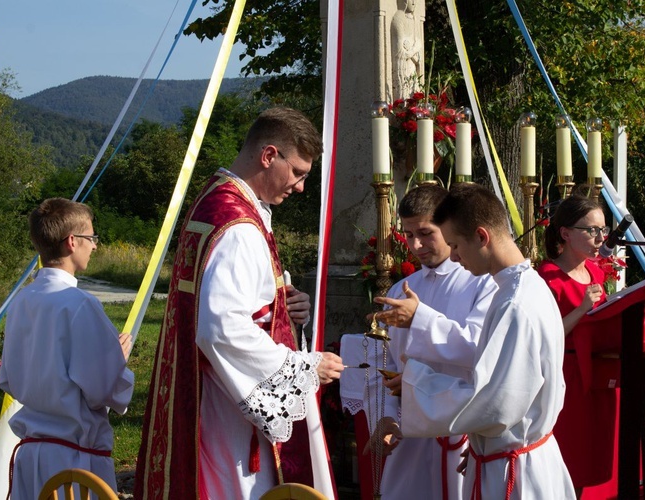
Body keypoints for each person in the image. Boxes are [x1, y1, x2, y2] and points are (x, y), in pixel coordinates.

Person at [134, 107, 344, 500]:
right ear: (269, 156)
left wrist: (282, 302)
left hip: (205, 392)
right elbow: (222, 327)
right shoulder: (239, 226)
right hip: (230, 409)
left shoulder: (215, 200)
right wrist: (302, 366)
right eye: (297, 172)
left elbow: (231, 297)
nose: (299, 186)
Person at [397, 183, 575, 499]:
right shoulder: (522, 285)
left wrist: (414, 383)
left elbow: (498, 403)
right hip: (509, 454)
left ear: (482, 237)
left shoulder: (514, 303)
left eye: (455, 245)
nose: (453, 256)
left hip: (517, 473)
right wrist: (483, 441)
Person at [364, 185, 498, 500]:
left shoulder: (480, 282)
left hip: (460, 427)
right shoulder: (400, 290)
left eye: (425, 233)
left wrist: (420, 319)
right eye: (408, 235)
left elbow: (480, 348)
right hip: (408, 429)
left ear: (448, 226)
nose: (416, 245)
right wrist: (382, 414)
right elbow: (380, 360)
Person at [0, 198, 134, 499]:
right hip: (74, 464)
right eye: (91, 237)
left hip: (32, 455)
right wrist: (117, 361)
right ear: (73, 242)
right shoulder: (81, 304)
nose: (95, 246)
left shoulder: (21, 301)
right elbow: (100, 391)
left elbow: (9, 379)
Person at [537, 194, 614, 497]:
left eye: (603, 231)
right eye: (592, 230)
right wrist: (582, 308)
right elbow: (545, 336)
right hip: (565, 378)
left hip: (594, 374)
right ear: (566, 233)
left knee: (593, 456)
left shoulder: (595, 270)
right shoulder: (548, 277)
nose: (600, 238)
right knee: (570, 457)